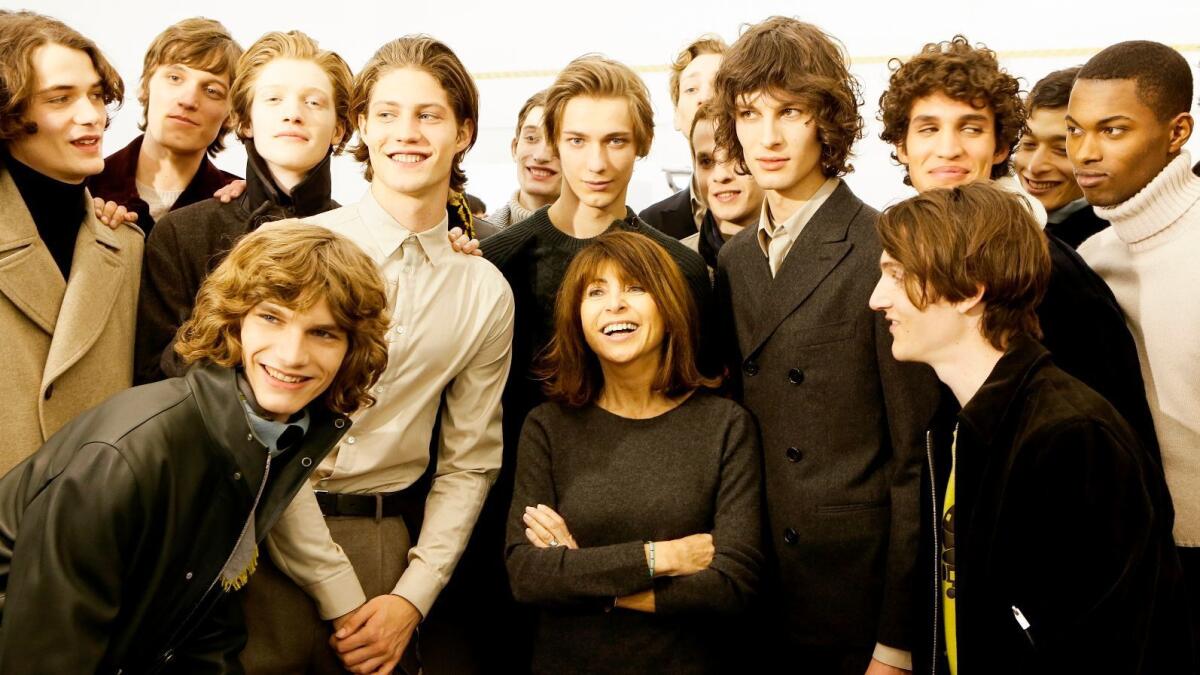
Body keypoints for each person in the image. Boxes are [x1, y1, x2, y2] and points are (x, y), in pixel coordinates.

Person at [0, 221, 391, 673]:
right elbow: (45, 655)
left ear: (351, 349)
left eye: (323, 332)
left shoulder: (265, 434)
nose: (291, 355)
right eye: (272, 318)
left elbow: (204, 620)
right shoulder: (131, 453)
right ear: (235, 321)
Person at [239, 35, 514, 675]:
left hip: (389, 551)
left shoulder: (483, 289)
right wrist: (338, 595)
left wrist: (413, 598)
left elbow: (470, 462)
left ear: (464, 131)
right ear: (360, 125)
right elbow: (255, 429)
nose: (405, 133)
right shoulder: (291, 244)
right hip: (265, 534)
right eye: (386, 114)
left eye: (429, 115)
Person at [868, 183, 1189, 674]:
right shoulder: (961, 421)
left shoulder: (1070, 437)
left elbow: (1103, 648)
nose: (877, 298)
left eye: (896, 275)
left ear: (969, 291)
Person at [710, 17, 937, 673]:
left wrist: (896, 640)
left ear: (827, 121)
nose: (768, 136)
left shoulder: (882, 246)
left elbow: (913, 459)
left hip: (855, 592)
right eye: (749, 114)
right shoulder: (734, 260)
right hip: (757, 583)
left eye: (791, 112)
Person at [473, 52, 713, 672]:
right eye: (577, 140)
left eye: (616, 141)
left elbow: (699, 407)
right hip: (523, 528)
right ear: (553, 143)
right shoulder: (498, 261)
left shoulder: (681, 271)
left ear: (643, 146)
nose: (597, 162)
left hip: (652, 525)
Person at [878, 35, 1158, 459]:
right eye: (929, 128)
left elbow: (1107, 446)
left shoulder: (1050, 272)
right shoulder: (904, 261)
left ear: (1002, 147)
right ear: (902, 146)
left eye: (971, 128)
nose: (949, 149)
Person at [506, 230, 762, 673]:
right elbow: (529, 576)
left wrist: (585, 578)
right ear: (577, 317)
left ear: (669, 307)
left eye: (635, 288)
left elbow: (731, 584)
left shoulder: (725, 425)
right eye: (596, 292)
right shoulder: (547, 427)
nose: (615, 305)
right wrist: (662, 558)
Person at [1069, 39, 1200, 660]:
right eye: (1074, 130)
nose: (1084, 153)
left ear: (1178, 132)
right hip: (1145, 561)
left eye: (1112, 130)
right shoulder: (1091, 260)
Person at [135, 29, 353, 384]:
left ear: (339, 129)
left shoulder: (360, 239)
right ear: (245, 121)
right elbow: (153, 375)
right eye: (273, 99)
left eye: (313, 102)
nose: (293, 114)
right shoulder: (181, 232)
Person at [0, 11, 143, 474]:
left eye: (97, 95)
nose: (92, 116)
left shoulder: (129, 244)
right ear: (9, 113)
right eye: (60, 99)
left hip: (93, 527)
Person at [87, 17, 241, 234]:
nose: (188, 100)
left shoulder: (243, 206)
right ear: (145, 86)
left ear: (232, 115)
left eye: (211, 90)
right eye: (175, 78)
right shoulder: (83, 188)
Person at [639, 35, 726, 239]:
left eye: (719, 85)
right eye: (691, 89)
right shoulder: (651, 225)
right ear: (676, 115)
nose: (704, 98)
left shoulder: (776, 212)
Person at [1013, 67, 1109, 249]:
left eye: (1061, 149)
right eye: (1028, 144)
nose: (1035, 167)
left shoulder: (1109, 246)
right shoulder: (998, 223)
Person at [682, 102, 763, 270]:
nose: (720, 176)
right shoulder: (673, 266)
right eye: (706, 162)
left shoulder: (801, 253)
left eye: (735, 156)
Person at [488, 89, 561, 228]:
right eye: (531, 138)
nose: (541, 156)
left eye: (557, 142)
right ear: (514, 148)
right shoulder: (473, 241)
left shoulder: (608, 243)